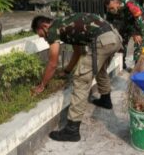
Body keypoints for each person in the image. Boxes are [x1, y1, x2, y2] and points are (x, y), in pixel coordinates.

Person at [31, 13, 122, 142]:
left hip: (102, 40)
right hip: (114, 38)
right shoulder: (67, 25)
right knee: (100, 69)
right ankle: (106, 100)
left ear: (44, 26)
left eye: (41, 35)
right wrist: (67, 71)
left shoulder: (52, 29)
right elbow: (78, 52)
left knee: (80, 79)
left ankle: (72, 130)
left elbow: (52, 63)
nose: (44, 39)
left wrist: (42, 85)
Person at [104, 0, 144, 70]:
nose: (110, 10)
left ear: (117, 3)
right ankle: (122, 66)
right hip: (126, 23)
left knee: (139, 42)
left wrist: (137, 33)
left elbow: (139, 20)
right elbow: (109, 24)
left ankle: (138, 68)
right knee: (120, 42)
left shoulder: (129, 4)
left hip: (138, 22)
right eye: (108, 8)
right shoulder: (110, 11)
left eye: (111, 8)